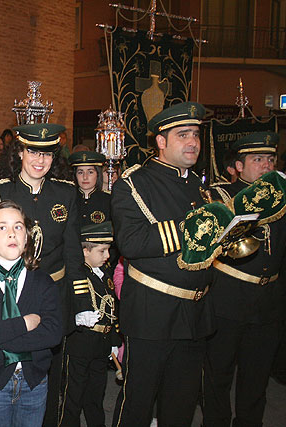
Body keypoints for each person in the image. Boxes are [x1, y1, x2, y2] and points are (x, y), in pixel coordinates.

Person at [111, 102, 214, 426]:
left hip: (196, 316)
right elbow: (131, 242)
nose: (193, 142)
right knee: (137, 406)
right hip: (151, 315)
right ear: (161, 141)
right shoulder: (133, 183)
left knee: (180, 409)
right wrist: (191, 228)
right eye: (183, 135)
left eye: (195, 134)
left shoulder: (201, 187)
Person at [0, 122, 83, 426]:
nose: (40, 160)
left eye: (47, 154)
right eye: (33, 152)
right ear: (20, 152)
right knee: (6, 366)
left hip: (53, 295)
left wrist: (78, 301)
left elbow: (73, 251)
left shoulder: (67, 193)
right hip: (10, 296)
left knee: (48, 374)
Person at [204, 131, 286, 426]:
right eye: (257, 159)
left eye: (271, 159)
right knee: (218, 374)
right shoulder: (220, 196)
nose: (266, 165)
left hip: (269, 302)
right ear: (238, 166)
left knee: (257, 377)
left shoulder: (283, 200)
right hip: (228, 299)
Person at [0, 200, 61, 427]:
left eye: (18, 227)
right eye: (2, 227)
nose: (11, 234)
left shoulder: (43, 282)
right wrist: (25, 323)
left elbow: (53, 334)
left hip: (34, 383)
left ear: (27, 237)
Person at [61, 222, 120, 427]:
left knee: (96, 395)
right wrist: (74, 319)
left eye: (108, 250)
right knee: (73, 395)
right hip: (80, 343)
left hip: (100, 343)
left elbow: (112, 310)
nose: (107, 256)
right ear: (85, 251)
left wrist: (113, 340)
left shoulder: (105, 275)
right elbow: (66, 306)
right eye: (102, 250)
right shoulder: (78, 275)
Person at [69, 151, 110, 226]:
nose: (85, 177)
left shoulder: (108, 200)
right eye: (80, 172)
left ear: (97, 174)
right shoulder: (68, 200)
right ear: (75, 175)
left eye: (90, 172)